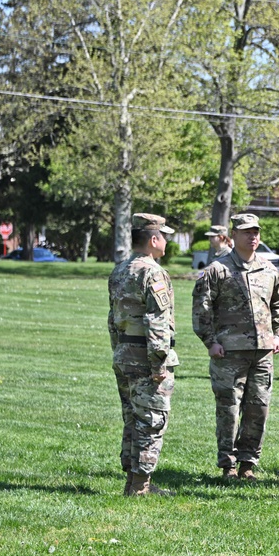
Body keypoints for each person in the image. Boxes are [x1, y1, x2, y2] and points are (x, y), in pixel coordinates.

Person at [192, 213, 279, 480]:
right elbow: (202, 310)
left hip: (262, 352)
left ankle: (248, 463)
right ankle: (228, 465)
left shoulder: (268, 270)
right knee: (229, 409)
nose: (253, 236)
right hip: (229, 353)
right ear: (233, 235)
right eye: (246, 232)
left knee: (258, 408)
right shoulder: (217, 270)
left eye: (256, 231)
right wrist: (210, 342)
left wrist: (278, 335)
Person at [108, 213, 178, 496]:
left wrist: (119, 350)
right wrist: (159, 363)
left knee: (132, 419)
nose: (166, 242)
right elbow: (157, 322)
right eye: (164, 237)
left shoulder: (120, 270)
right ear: (153, 239)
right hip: (146, 357)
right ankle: (140, 486)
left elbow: (113, 318)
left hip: (125, 353)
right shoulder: (153, 272)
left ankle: (132, 482)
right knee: (151, 420)